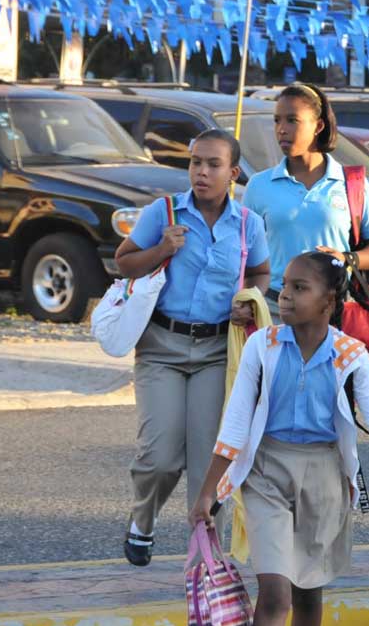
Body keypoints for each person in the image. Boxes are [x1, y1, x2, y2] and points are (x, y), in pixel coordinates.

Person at [189, 251, 369, 626]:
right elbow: (235, 422)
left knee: (307, 590)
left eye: (299, 288)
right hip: (266, 471)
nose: (284, 295)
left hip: (324, 475)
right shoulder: (262, 345)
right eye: (285, 285)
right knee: (275, 593)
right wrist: (208, 491)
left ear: (329, 302)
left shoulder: (350, 354)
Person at [114, 129, 271, 566]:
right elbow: (122, 260)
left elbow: (260, 273)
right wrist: (162, 247)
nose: (201, 172)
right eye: (195, 162)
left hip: (216, 352)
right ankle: (142, 519)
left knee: (208, 461)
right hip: (161, 345)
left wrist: (247, 302)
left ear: (233, 173)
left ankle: (205, 558)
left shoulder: (247, 224)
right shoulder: (162, 212)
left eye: (213, 164)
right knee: (160, 455)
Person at [242, 83, 369, 318]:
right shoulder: (259, 185)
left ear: (318, 126)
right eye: (277, 120)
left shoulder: (351, 182)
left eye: (292, 120)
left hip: (333, 311)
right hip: (273, 310)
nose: (281, 129)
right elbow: (242, 253)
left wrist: (347, 259)